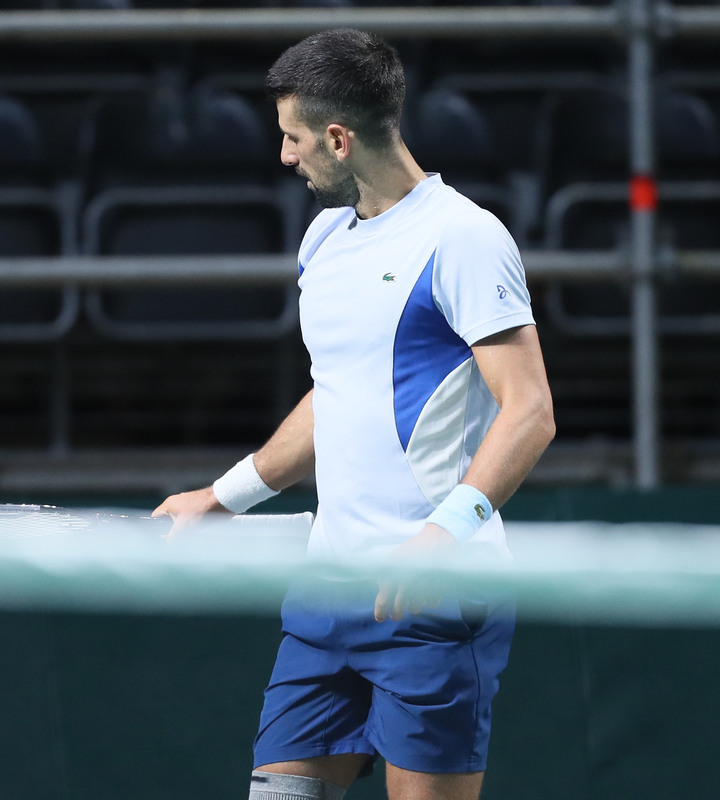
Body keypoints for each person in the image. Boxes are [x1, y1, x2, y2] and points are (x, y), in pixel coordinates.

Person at [153, 29, 555, 800]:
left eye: (293, 138)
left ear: (338, 139)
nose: (284, 156)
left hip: (434, 598)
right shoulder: (325, 239)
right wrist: (223, 495)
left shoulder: (463, 238)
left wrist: (443, 535)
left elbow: (530, 409)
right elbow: (338, 395)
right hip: (327, 591)